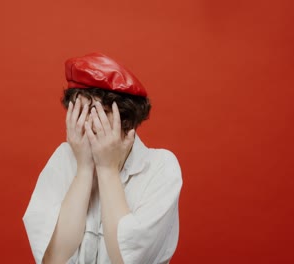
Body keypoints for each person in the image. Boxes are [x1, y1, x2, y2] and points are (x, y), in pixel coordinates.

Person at [23, 53, 183, 264]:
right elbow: (53, 259)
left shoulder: (161, 167)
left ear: (126, 120)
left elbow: (126, 260)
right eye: (78, 112)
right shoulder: (64, 158)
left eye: (98, 113)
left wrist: (107, 168)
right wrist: (84, 168)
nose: (86, 123)